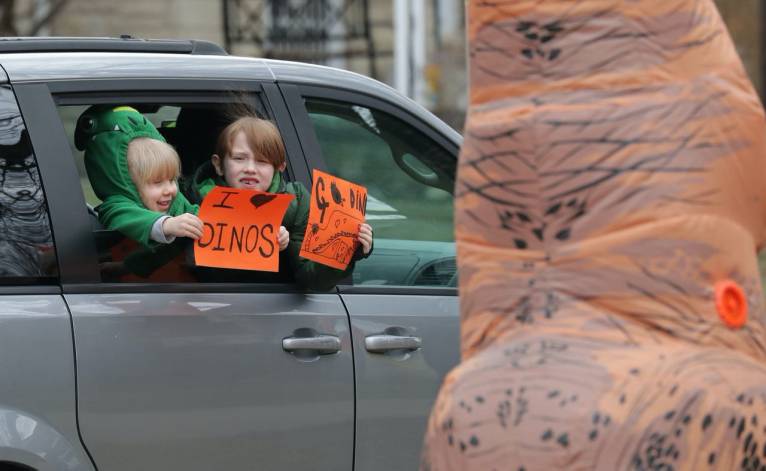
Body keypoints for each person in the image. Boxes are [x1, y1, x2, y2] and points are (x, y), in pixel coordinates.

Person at [186, 116, 372, 290]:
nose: (250, 169)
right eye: (239, 158)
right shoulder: (188, 202)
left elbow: (313, 279)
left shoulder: (297, 204)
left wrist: (347, 249)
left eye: (262, 161)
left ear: (279, 168)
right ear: (218, 165)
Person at [77, 105, 203, 278]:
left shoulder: (176, 202)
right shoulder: (116, 207)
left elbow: (201, 219)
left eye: (172, 179)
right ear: (128, 183)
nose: (169, 190)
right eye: (157, 182)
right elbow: (130, 218)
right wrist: (167, 225)